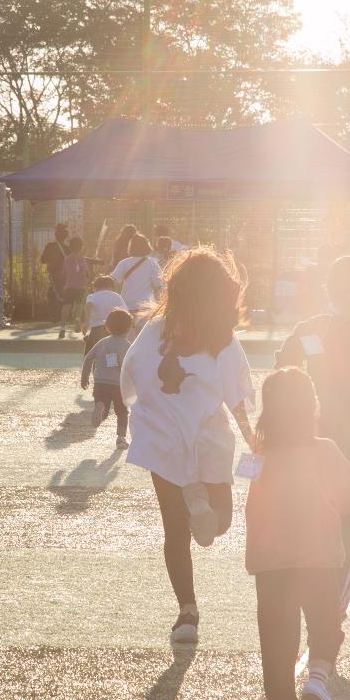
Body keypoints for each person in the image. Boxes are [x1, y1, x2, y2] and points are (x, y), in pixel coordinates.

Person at [120, 248, 255, 644]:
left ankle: (187, 613)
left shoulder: (155, 327)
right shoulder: (223, 339)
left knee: (174, 531)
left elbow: (132, 369)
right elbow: (240, 397)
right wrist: (253, 440)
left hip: (161, 440)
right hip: (208, 439)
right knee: (220, 524)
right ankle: (201, 501)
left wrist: (137, 405)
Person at [275, 255, 350, 615]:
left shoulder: (318, 328)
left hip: (324, 443)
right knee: (347, 530)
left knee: (322, 525)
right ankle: (331, 610)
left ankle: (324, 610)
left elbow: (282, 373)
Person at [247, 368, 350, 700]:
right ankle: (316, 677)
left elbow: (249, 500)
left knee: (276, 637)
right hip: (317, 554)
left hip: (270, 558)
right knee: (326, 622)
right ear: (310, 407)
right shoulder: (324, 449)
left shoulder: (257, 453)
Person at [80, 308, 134, 448]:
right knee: (122, 412)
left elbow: (88, 358)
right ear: (129, 328)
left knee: (102, 404)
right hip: (118, 385)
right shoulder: (128, 346)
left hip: (101, 383)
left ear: (107, 327)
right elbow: (132, 367)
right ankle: (121, 438)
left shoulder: (102, 342)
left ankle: (101, 406)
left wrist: (84, 377)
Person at [111, 233, 163, 317]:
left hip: (127, 303)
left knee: (128, 329)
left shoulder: (124, 263)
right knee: (143, 329)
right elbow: (159, 285)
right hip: (145, 305)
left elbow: (113, 280)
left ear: (131, 247)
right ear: (147, 246)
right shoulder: (152, 264)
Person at [59, 236, 96, 339]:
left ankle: (62, 328)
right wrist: (88, 277)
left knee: (66, 306)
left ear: (70, 247)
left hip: (69, 285)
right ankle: (77, 318)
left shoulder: (67, 259)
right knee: (80, 304)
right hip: (81, 286)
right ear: (81, 247)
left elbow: (64, 272)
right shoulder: (82, 259)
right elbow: (85, 272)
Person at [83, 275, 128, 355]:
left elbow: (88, 305)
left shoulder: (92, 296)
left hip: (96, 328)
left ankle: (92, 366)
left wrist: (87, 323)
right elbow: (125, 312)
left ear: (95, 287)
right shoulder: (117, 296)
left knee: (92, 351)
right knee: (110, 352)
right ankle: (111, 366)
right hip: (112, 329)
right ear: (111, 286)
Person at [40, 223, 70, 323]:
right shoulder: (67, 248)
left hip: (53, 274)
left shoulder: (50, 246)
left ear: (56, 234)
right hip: (65, 274)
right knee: (63, 293)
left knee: (53, 293)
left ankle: (54, 316)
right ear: (66, 236)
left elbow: (43, 259)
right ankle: (63, 315)